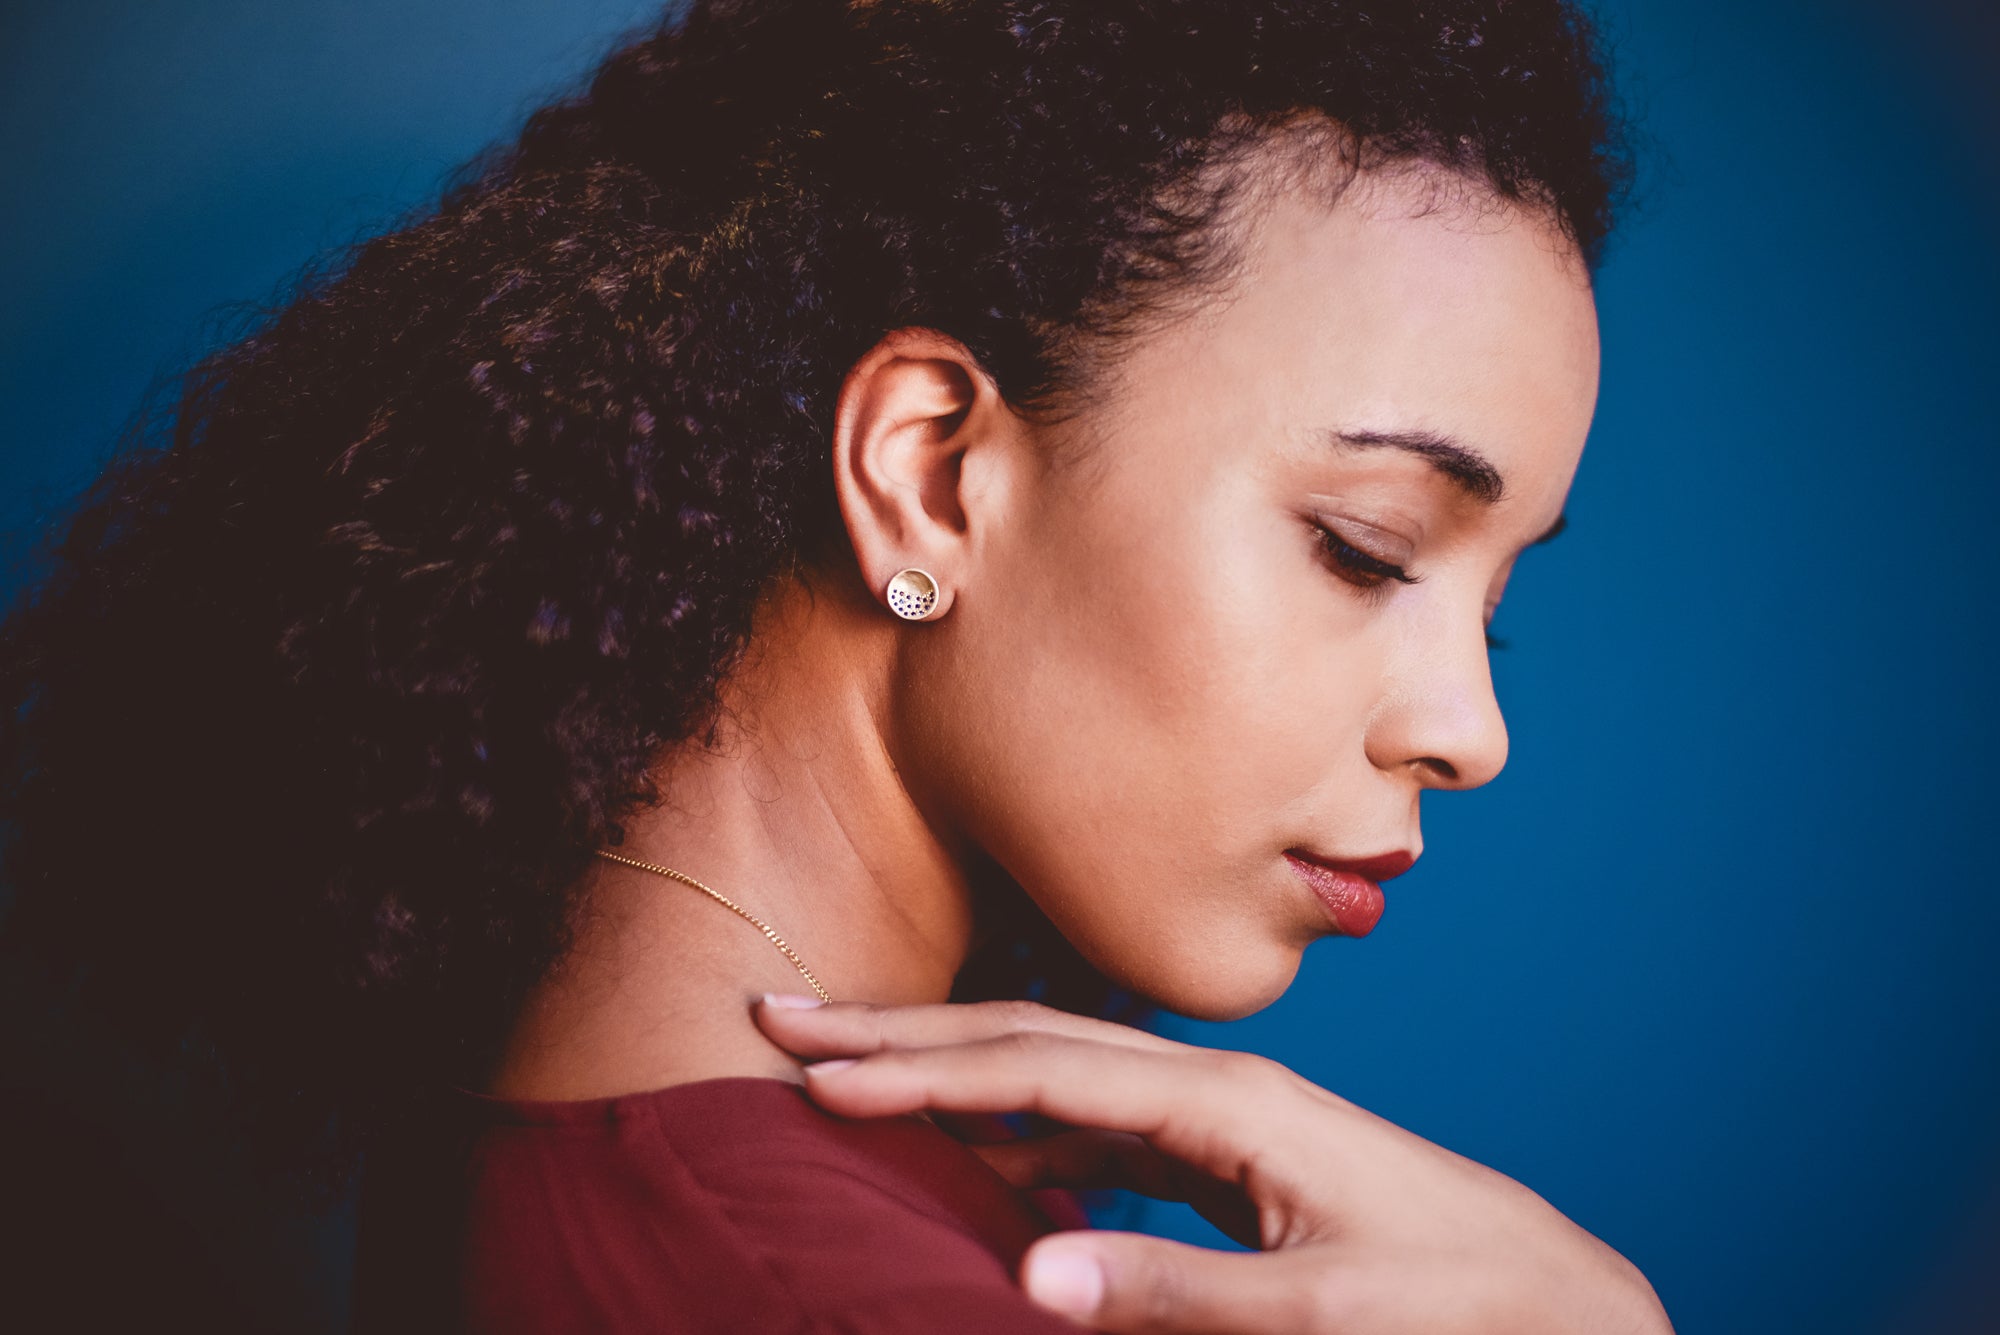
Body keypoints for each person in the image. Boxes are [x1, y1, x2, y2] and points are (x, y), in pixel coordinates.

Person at [0, 0, 1673, 1329]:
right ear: (931, 474)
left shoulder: (643, 1139)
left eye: (1492, 601)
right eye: (1366, 549)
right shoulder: (805, 1282)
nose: (1472, 730)